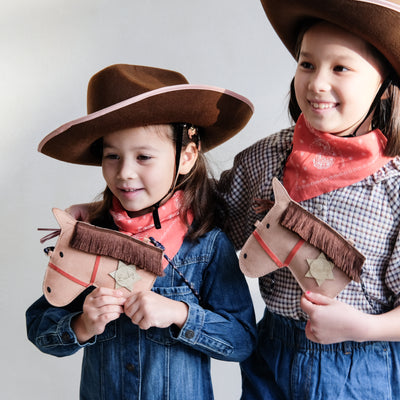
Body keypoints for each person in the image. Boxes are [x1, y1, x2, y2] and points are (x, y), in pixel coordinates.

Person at [26, 64, 257, 400]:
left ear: (187, 157)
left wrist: (180, 314)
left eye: (144, 156)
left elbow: (242, 341)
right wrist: (82, 325)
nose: (125, 173)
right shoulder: (88, 238)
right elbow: (38, 325)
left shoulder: (206, 243)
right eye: (112, 156)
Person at [217, 0, 400, 398]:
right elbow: (204, 221)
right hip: (271, 353)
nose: (317, 83)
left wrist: (363, 327)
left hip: (360, 362)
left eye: (340, 68)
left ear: (385, 87)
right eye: (307, 64)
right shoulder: (264, 159)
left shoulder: (394, 185)